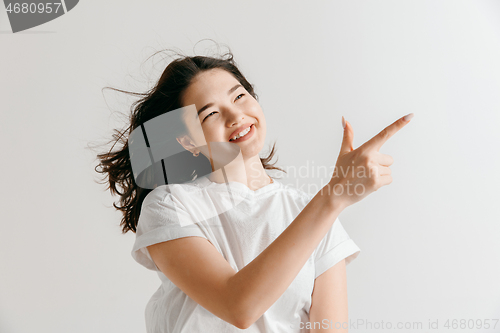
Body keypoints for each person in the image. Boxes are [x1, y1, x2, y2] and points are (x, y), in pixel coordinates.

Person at [95, 48, 413, 333]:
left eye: (239, 96)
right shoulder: (170, 206)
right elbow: (238, 306)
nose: (236, 116)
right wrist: (334, 197)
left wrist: (331, 201)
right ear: (188, 141)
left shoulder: (314, 212)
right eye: (211, 113)